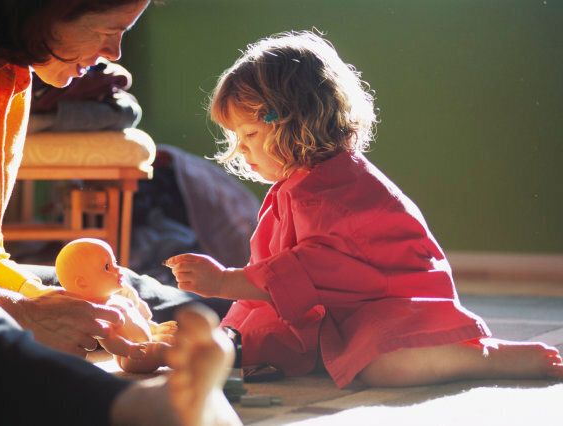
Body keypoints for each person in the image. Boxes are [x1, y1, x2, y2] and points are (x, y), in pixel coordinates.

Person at [166, 30, 563, 388]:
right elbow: (275, 281)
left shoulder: (331, 188)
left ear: (295, 122)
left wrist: (225, 281)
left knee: (381, 366)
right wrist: (228, 337)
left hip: (393, 305)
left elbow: (308, 267)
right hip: (343, 306)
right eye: (237, 137)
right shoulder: (297, 185)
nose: (242, 149)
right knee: (271, 338)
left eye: (250, 134)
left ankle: (487, 356)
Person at [0, 0, 203, 361]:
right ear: (44, 10)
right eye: (106, 32)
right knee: (60, 375)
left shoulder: (14, 72)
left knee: (124, 290)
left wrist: (39, 299)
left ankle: (252, 321)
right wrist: (22, 312)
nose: (113, 53)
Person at [0, 283, 240, 426]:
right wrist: (17, 307)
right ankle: (137, 404)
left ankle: (242, 315)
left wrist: (28, 289)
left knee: (109, 283)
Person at [56, 238, 176, 373]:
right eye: (108, 267)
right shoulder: (99, 312)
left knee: (170, 340)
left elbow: (138, 321)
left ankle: (192, 351)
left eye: (115, 263)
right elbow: (110, 339)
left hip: (145, 342)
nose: (118, 268)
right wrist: (128, 349)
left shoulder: (119, 298)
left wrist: (154, 327)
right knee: (159, 350)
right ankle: (184, 361)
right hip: (132, 357)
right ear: (83, 283)